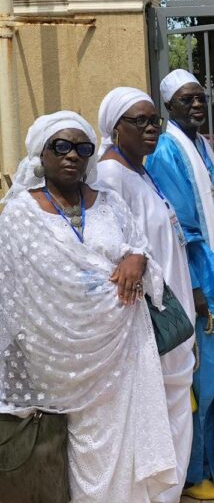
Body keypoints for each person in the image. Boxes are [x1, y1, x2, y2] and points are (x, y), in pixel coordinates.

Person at [0, 112, 177, 502]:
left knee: (129, 449)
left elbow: (139, 248)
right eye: (60, 147)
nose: (72, 156)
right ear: (39, 155)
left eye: (82, 148)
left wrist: (138, 259)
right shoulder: (19, 214)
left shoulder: (110, 203)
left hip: (123, 352)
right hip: (59, 363)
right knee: (81, 456)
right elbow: (15, 293)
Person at [146, 69, 214, 501]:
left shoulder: (202, 144)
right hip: (199, 275)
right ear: (169, 105)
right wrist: (195, 287)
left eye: (200, 97)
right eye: (187, 99)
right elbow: (184, 228)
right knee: (204, 380)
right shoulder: (167, 148)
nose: (196, 104)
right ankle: (195, 473)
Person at [95, 87, 197, 503]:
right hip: (148, 320)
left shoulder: (142, 171)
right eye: (140, 121)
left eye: (155, 120)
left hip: (173, 314)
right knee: (155, 411)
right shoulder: (110, 177)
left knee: (175, 406)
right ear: (115, 128)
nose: (151, 128)